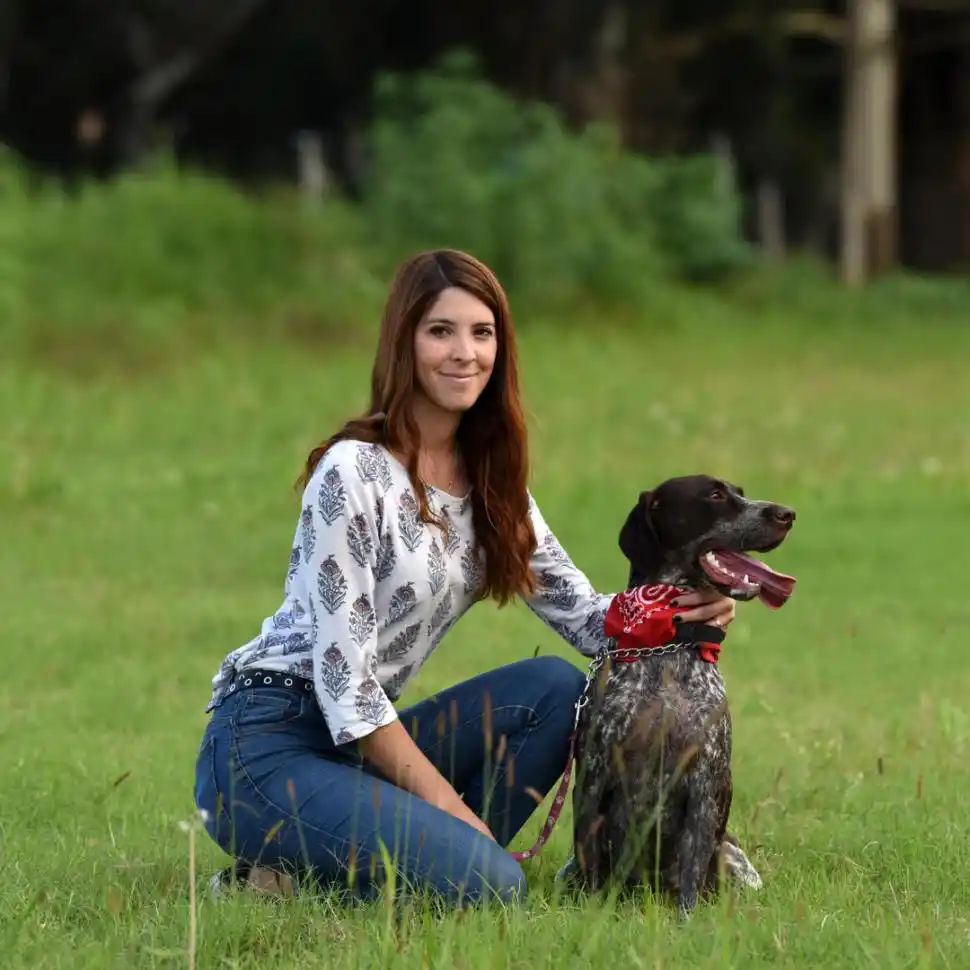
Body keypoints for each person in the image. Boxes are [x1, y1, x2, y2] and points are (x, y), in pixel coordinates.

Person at [193, 248, 756, 907]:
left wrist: (679, 610)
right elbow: (346, 690)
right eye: (440, 331)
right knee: (490, 886)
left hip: (359, 752)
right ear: (403, 343)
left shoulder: (493, 487)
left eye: (482, 333)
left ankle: (360, 867)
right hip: (268, 747)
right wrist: (455, 816)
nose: (465, 352)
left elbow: (584, 617)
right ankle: (299, 880)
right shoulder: (353, 472)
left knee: (551, 689)